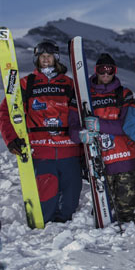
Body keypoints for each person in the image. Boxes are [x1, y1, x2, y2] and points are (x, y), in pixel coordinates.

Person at [0, 40, 84, 223]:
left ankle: (66, 236)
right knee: (46, 199)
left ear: (56, 58)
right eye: (42, 57)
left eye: (49, 56)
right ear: (36, 59)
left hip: (68, 150)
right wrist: (11, 139)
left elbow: (81, 113)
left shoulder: (69, 84)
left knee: (71, 199)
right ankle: (43, 238)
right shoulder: (26, 83)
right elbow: (6, 112)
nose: (46, 60)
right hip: (41, 150)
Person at [74, 53, 135, 224]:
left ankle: (125, 247)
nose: (105, 75)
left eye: (109, 71)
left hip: (124, 159)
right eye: (101, 71)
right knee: (102, 211)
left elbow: (125, 126)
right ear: (96, 71)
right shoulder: (85, 96)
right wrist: (80, 134)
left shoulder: (123, 94)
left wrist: (100, 125)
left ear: (115, 72)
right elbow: (74, 125)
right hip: (99, 161)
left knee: (126, 212)